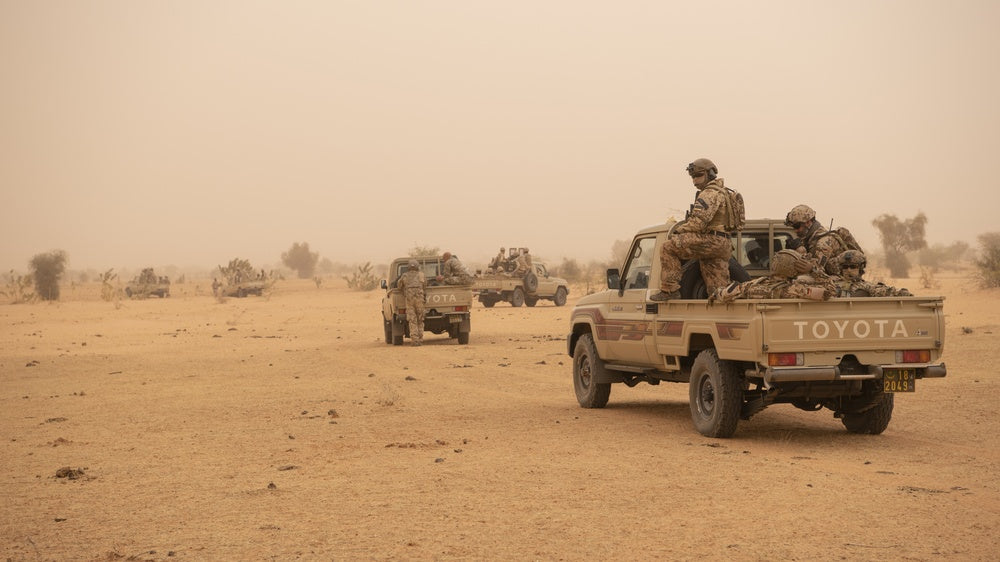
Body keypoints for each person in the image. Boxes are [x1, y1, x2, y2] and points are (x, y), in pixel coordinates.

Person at [650, 158, 739, 301]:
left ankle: (669, 290)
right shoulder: (724, 192)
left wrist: (679, 231)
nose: (695, 181)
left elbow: (697, 223)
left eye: (698, 176)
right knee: (718, 290)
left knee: (668, 248)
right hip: (723, 244)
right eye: (693, 177)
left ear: (710, 174)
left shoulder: (709, 193)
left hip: (711, 241)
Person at [709, 249, 838, 304]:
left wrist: (716, 294)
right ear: (794, 270)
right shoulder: (797, 290)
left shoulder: (752, 286)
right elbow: (831, 292)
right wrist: (813, 270)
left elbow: (725, 294)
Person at [784, 204, 859, 275]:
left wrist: (801, 252)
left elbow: (818, 270)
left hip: (837, 282)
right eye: (793, 227)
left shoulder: (824, 242)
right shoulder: (811, 240)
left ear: (808, 222)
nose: (795, 230)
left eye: (797, 226)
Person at [833, 251, 913, 297]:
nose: (849, 270)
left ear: (860, 268)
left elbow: (883, 291)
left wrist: (901, 293)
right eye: (845, 267)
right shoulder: (832, 284)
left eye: (853, 266)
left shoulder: (865, 286)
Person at [398, 259, 426, 346]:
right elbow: (425, 286)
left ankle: (415, 340)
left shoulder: (404, 275)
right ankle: (420, 339)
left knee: (412, 320)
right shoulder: (421, 275)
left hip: (409, 301)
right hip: (420, 300)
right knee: (420, 320)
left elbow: (399, 286)